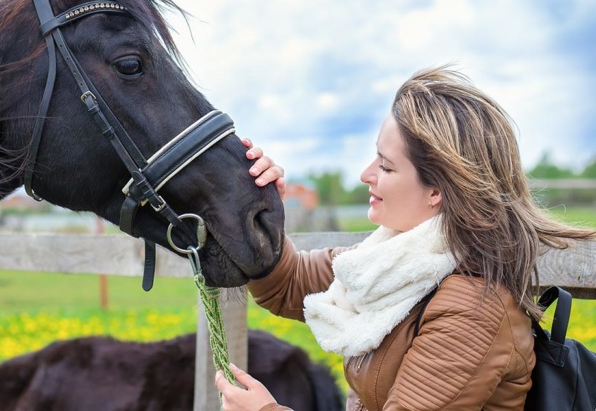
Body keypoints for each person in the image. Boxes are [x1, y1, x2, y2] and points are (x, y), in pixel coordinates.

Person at [219, 65, 596, 411]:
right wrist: (260, 209)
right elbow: (289, 283)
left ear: (438, 192)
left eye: (385, 166)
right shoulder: (393, 258)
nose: (367, 174)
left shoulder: (473, 310)